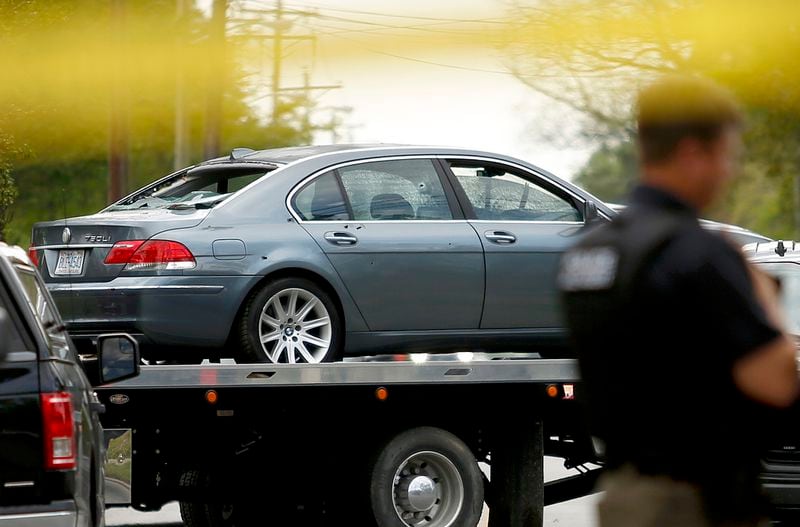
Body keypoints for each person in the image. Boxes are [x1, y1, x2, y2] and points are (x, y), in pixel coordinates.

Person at [557, 74, 799, 527]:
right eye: (727, 156)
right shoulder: (697, 252)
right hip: (696, 503)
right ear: (692, 154)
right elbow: (777, 380)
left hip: (625, 496)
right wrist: (765, 296)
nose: (731, 171)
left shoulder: (588, 253)